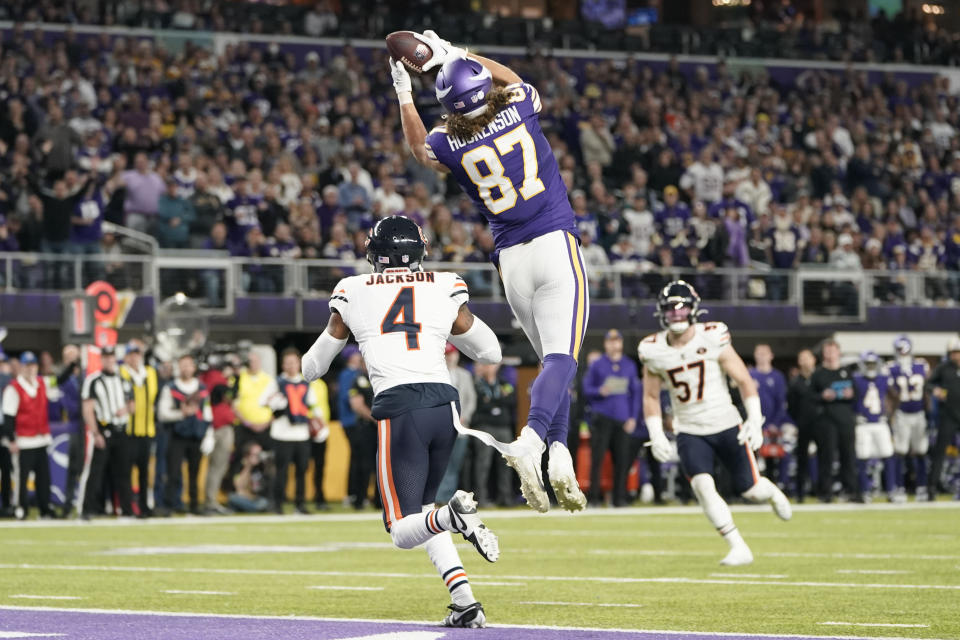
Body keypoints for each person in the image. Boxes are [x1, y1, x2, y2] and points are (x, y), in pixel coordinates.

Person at [393, 33, 587, 513]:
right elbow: (513, 79)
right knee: (562, 360)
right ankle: (533, 440)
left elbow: (420, 150)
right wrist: (457, 53)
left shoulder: (448, 142)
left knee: (552, 367)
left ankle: (557, 451)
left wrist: (403, 94)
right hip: (553, 243)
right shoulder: (519, 105)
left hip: (511, 261)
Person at [302, 216, 502, 627]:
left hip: (400, 407)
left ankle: (454, 516)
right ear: (420, 249)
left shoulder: (352, 289)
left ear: (374, 252)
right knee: (421, 511)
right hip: (445, 407)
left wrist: (313, 359)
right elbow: (490, 352)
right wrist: (444, 328)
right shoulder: (445, 283)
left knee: (400, 528)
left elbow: (313, 366)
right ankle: (464, 601)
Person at [639, 281, 791, 566]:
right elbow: (650, 395)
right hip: (689, 430)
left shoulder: (712, 336)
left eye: (681, 309)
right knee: (703, 487)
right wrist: (656, 433)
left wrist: (755, 420)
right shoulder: (652, 349)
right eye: (670, 310)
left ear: (694, 309)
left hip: (725, 423)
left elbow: (744, 380)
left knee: (752, 491)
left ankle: (771, 492)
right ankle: (738, 546)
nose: (676, 315)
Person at [581, 329, 640, 507]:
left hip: (622, 419)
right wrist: (599, 391)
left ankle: (619, 498)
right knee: (597, 459)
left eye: (617, 341)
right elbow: (586, 389)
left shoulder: (629, 365)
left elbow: (635, 394)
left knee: (622, 460)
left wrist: (633, 417)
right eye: (610, 341)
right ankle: (594, 498)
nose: (614, 344)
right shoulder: (598, 364)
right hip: (603, 417)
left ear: (621, 343)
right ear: (606, 344)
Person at [261, 349, 318, 514]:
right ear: (283, 364)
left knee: (302, 471)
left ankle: (300, 504)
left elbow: (312, 405)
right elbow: (262, 401)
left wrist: (317, 422)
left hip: (301, 433)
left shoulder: (306, 383)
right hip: (282, 433)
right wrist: (275, 403)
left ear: (299, 363)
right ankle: (277, 504)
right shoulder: (277, 382)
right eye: (287, 363)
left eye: (293, 362)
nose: (291, 366)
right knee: (281, 472)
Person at [80, 346, 134, 517]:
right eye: (106, 357)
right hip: (104, 430)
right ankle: (87, 509)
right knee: (96, 472)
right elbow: (87, 409)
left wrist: (125, 410)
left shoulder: (123, 379)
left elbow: (133, 405)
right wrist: (95, 433)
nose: (109, 360)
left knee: (124, 472)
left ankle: (127, 510)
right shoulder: (94, 380)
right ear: (101, 359)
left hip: (122, 431)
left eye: (111, 357)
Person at [157, 354, 213, 516]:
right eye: (183, 365)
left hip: (196, 435)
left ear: (194, 368)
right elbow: (163, 414)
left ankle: (195, 505)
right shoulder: (171, 387)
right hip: (177, 434)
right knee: (173, 471)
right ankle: (169, 504)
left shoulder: (202, 388)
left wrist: (209, 434)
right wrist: (181, 414)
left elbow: (207, 412)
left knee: (194, 473)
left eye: (189, 365)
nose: (186, 368)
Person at [1, 352, 54, 519]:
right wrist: (12, 440)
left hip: (41, 439)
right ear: (22, 367)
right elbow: (8, 417)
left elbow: (59, 380)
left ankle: (44, 509)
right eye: (28, 365)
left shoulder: (41, 383)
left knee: (44, 478)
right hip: (23, 440)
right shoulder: (13, 388)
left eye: (33, 365)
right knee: (21, 478)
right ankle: (20, 507)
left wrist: (72, 365)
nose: (31, 368)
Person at [811, 339, 860, 502]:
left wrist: (851, 394)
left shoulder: (846, 372)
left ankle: (851, 490)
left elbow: (857, 395)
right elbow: (810, 397)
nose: (831, 354)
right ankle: (825, 493)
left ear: (838, 352)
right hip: (827, 421)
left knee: (849, 456)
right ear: (823, 354)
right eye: (827, 351)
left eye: (833, 351)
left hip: (845, 419)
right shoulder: (818, 374)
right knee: (826, 457)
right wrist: (822, 396)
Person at [887, 335, 931, 500]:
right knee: (900, 451)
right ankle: (899, 487)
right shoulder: (891, 367)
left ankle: (921, 487)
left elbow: (927, 389)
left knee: (921, 451)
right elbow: (889, 393)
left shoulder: (921, 365)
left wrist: (928, 410)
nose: (902, 353)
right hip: (902, 413)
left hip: (919, 413)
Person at [119, 341, 158, 517]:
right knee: (125, 472)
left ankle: (144, 506)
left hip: (147, 429)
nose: (134, 358)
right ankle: (126, 508)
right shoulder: (121, 373)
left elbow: (151, 397)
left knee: (144, 473)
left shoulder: (149, 373)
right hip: (127, 431)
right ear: (126, 356)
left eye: (137, 354)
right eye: (131, 354)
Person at [852, 351, 897, 501]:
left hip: (880, 422)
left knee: (888, 454)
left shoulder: (884, 378)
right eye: (867, 364)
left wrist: (891, 413)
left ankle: (891, 490)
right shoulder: (856, 379)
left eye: (872, 364)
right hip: (863, 423)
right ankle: (864, 491)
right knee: (862, 457)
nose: (870, 367)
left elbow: (894, 397)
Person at [436, 343, 477, 502]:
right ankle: (439, 496)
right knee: (441, 462)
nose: (450, 357)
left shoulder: (465, 375)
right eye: (446, 354)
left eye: (452, 354)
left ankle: (447, 496)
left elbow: (471, 399)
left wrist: (464, 416)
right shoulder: (437, 373)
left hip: (461, 426)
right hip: (442, 425)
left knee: (455, 463)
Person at [470, 363, 515, 507]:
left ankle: (505, 498)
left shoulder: (504, 383)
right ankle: (481, 498)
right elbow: (480, 405)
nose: (489, 367)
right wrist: (498, 402)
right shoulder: (477, 384)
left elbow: (512, 400)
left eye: (492, 365)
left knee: (506, 464)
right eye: (487, 365)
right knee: (483, 464)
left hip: (503, 427)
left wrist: (492, 402)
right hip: (485, 427)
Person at [748, 344, 789, 487]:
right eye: (759, 353)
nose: (762, 356)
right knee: (752, 458)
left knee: (773, 457)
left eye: (765, 353)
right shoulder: (750, 375)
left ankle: (774, 487)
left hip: (772, 426)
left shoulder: (777, 376)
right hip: (754, 424)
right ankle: (753, 488)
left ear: (771, 355)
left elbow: (781, 402)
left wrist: (774, 423)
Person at [925, 337, 960, 499]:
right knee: (940, 452)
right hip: (948, 416)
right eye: (954, 352)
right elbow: (928, 384)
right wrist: (936, 391)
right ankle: (932, 488)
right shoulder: (944, 368)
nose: (957, 356)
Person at [787, 349, 823, 502]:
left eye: (807, 358)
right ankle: (800, 493)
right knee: (802, 459)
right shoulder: (795, 382)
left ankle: (822, 492)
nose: (805, 362)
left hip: (821, 424)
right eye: (802, 359)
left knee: (823, 458)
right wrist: (798, 420)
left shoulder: (821, 378)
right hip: (803, 424)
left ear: (813, 360)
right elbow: (792, 405)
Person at [232, 351, 273, 472]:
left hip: (265, 427)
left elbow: (276, 406)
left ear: (260, 362)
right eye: (250, 361)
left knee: (266, 460)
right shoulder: (239, 378)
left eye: (255, 361)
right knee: (240, 458)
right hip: (243, 427)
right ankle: (237, 489)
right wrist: (247, 423)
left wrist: (266, 423)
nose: (253, 364)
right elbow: (232, 404)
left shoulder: (269, 380)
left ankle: (264, 489)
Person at [347, 360, 378, 510]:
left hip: (382, 428)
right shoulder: (359, 380)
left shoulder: (383, 377)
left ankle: (380, 501)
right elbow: (356, 405)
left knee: (382, 467)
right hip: (366, 427)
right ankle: (360, 499)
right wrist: (376, 418)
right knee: (363, 465)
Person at [308, 375, 331, 510]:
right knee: (302, 466)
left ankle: (319, 498)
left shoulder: (321, 383)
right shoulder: (301, 381)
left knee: (320, 465)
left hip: (321, 430)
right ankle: (300, 499)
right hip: (306, 429)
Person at [228, 441, 270, 513]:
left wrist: (267, 464)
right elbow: (238, 486)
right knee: (232, 497)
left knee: (264, 502)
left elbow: (267, 489)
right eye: (255, 455)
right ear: (247, 455)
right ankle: (254, 509)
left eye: (260, 454)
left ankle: (249, 509)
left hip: (258, 499)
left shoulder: (262, 466)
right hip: (244, 498)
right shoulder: (239, 466)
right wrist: (248, 466)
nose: (258, 457)